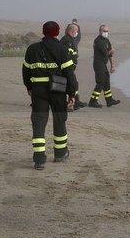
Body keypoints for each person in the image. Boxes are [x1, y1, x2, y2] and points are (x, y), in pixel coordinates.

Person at [22, 21, 77, 170]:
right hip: (57, 91)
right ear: (57, 33)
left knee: (39, 122)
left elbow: (25, 70)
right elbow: (69, 73)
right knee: (60, 120)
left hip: (38, 91)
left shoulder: (32, 49)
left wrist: (29, 87)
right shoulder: (62, 49)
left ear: (43, 32)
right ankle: (60, 153)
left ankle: (39, 159)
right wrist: (73, 93)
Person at [88, 24, 121, 108]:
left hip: (104, 64)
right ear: (100, 31)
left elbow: (110, 54)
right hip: (98, 64)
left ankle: (109, 100)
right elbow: (106, 52)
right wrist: (111, 51)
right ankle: (93, 101)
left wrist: (112, 65)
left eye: (107, 31)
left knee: (106, 81)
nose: (106, 33)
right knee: (100, 82)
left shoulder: (106, 40)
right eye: (104, 31)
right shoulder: (98, 41)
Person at [60, 23, 87, 111]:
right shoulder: (67, 40)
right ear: (72, 31)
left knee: (73, 84)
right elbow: (67, 56)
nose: (77, 33)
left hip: (70, 67)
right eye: (77, 31)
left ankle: (74, 101)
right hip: (67, 68)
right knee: (73, 84)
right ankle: (73, 102)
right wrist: (71, 67)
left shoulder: (69, 39)